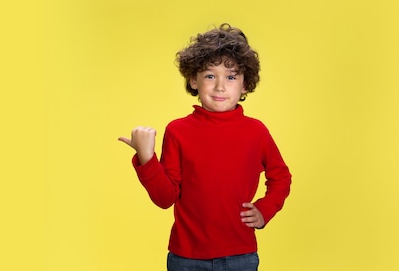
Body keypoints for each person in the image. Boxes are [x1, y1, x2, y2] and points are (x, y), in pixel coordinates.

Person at [118, 23, 292, 271]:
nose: (220, 86)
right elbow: (166, 198)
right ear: (193, 80)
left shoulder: (257, 132)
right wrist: (147, 158)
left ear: (244, 85)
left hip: (240, 255)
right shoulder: (178, 131)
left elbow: (281, 176)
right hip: (186, 258)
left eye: (231, 77)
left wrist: (265, 209)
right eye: (210, 76)